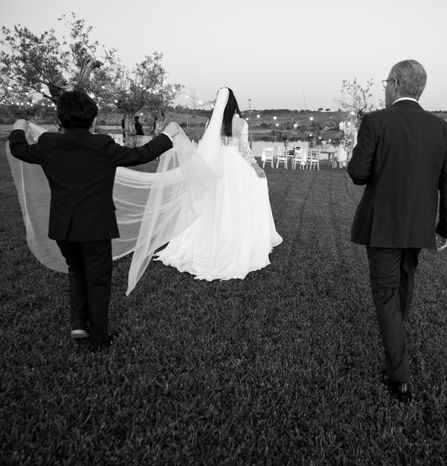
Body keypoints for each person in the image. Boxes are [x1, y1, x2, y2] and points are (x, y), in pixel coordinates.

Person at [9, 89, 180, 351]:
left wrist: (18, 128)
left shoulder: (48, 144)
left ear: (61, 119)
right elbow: (142, 155)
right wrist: (168, 135)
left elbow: (19, 149)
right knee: (97, 281)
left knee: (76, 271)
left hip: (63, 227)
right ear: (93, 120)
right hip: (95, 227)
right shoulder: (101, 145)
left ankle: (79, 323)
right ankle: (99, 338)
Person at [347, 60, 447, 403]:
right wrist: (446, 229)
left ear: (395, 84)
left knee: (385, 295)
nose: (384, 88)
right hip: (418, 227)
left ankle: (398, 375)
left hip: (383, 226)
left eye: (385, 82)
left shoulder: (375, 122)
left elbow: (358, 173)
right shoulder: (441, 127)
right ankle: (396, 344)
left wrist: (362, 150)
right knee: (402, 289)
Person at [155, 87, 282, 280]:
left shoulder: (210, 122)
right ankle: (238, 239)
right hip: (235, 165)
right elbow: (245, 150)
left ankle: (210, 238)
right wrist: (256, 167)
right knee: (239, 200)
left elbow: (208, 146)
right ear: (234, 102)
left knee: (214, 202)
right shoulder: (241, 122)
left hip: (215, 166)